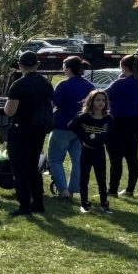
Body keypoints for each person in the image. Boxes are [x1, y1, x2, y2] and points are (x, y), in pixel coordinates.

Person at [3, 50, 54, 217]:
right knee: (33, 167)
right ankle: (38, 202)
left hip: (21, 129)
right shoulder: (46, 84)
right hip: (39, 129)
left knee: (19, 169)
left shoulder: (18, 85)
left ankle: (24, 205)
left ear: (20, 65)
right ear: (37, 65)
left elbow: (10, 111)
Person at [47, 56, 93, 200]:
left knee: (55, 159)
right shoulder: (89, 85)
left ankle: (63, 190)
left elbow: (53, 104)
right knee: (77, 160)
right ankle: (74, 189)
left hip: (62, 126)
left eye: (63, 66)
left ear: (68, 68)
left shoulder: (63, 85)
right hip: (81, 127)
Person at [106, 55, 138, 197]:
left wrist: (119, 79)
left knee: (115, 157)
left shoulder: (120, 83)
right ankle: (130, 188)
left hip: (118, 120)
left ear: (124, 66)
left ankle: (112, 189)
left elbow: (105, 95)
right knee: (132, 156)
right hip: (135, 120)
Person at [70, 89, 113, 214]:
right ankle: (84, 203)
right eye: (98, 100)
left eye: (103, 100)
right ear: (91, 101)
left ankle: (104, 203)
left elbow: (110, 133)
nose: (101, 103)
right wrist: (83, 138)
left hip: (99, 151)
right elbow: (72, 126)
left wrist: (102, 139)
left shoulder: (108, 118)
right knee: (84, 178)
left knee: (101, 178)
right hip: (86, 151)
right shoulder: (84, 116)